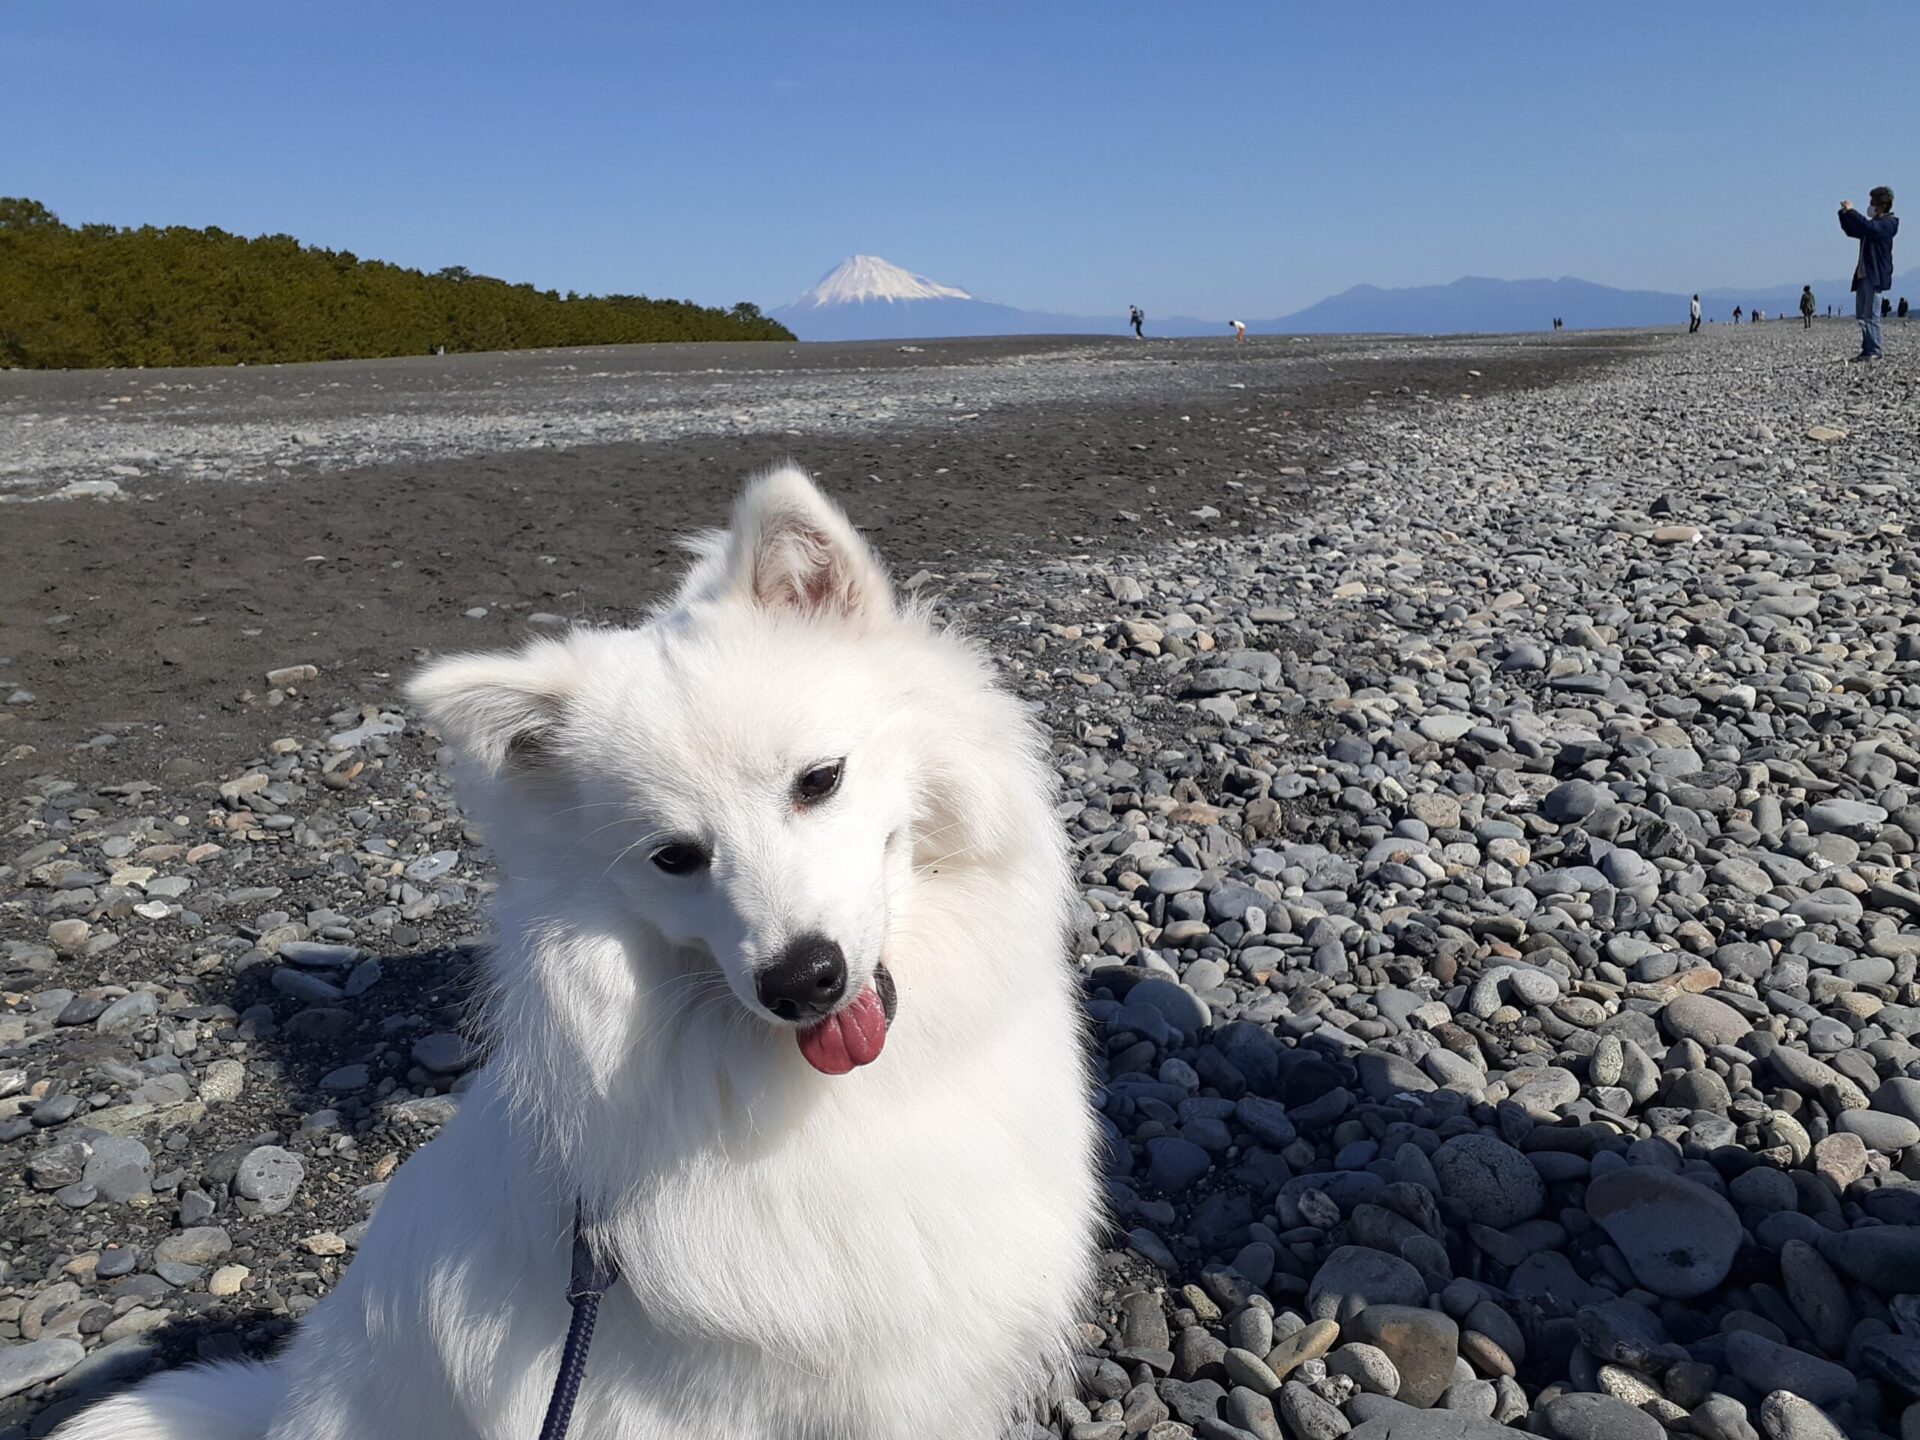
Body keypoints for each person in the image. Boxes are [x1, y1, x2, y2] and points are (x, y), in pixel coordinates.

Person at [1840, 186, 1898, 361]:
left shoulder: (1887, 224)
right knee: (1862, 315)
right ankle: (1867, 348)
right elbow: (1854, 230)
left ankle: (1874, 349)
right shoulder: (1873, 226)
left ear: (1881, 205)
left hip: (1875, 275)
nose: (1870, 205)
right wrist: (1844, 214)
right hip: (1864, 274)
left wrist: (1852, 212)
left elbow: (1867, 226)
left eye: (1873, 202)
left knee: (1871, 314)